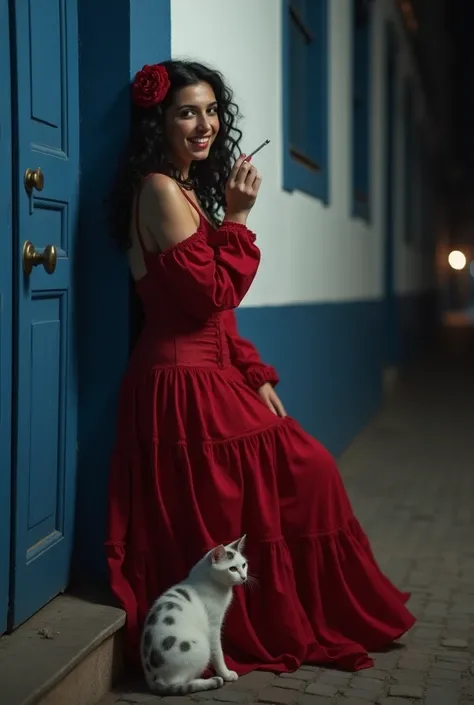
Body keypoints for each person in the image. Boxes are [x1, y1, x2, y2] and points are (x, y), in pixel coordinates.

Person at [105, 59, 415, 675]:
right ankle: (231, 629)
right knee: (236, 507)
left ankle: (304, 613)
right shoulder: (159, 190)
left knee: (312, 470)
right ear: (157, 121)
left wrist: (255, 374)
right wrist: (240, 219)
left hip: (214, 373)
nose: (206, 125)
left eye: (213, 111)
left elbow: (220, 321)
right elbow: (211, 298)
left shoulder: (188, 188)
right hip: (179, 384)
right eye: (187, 112)